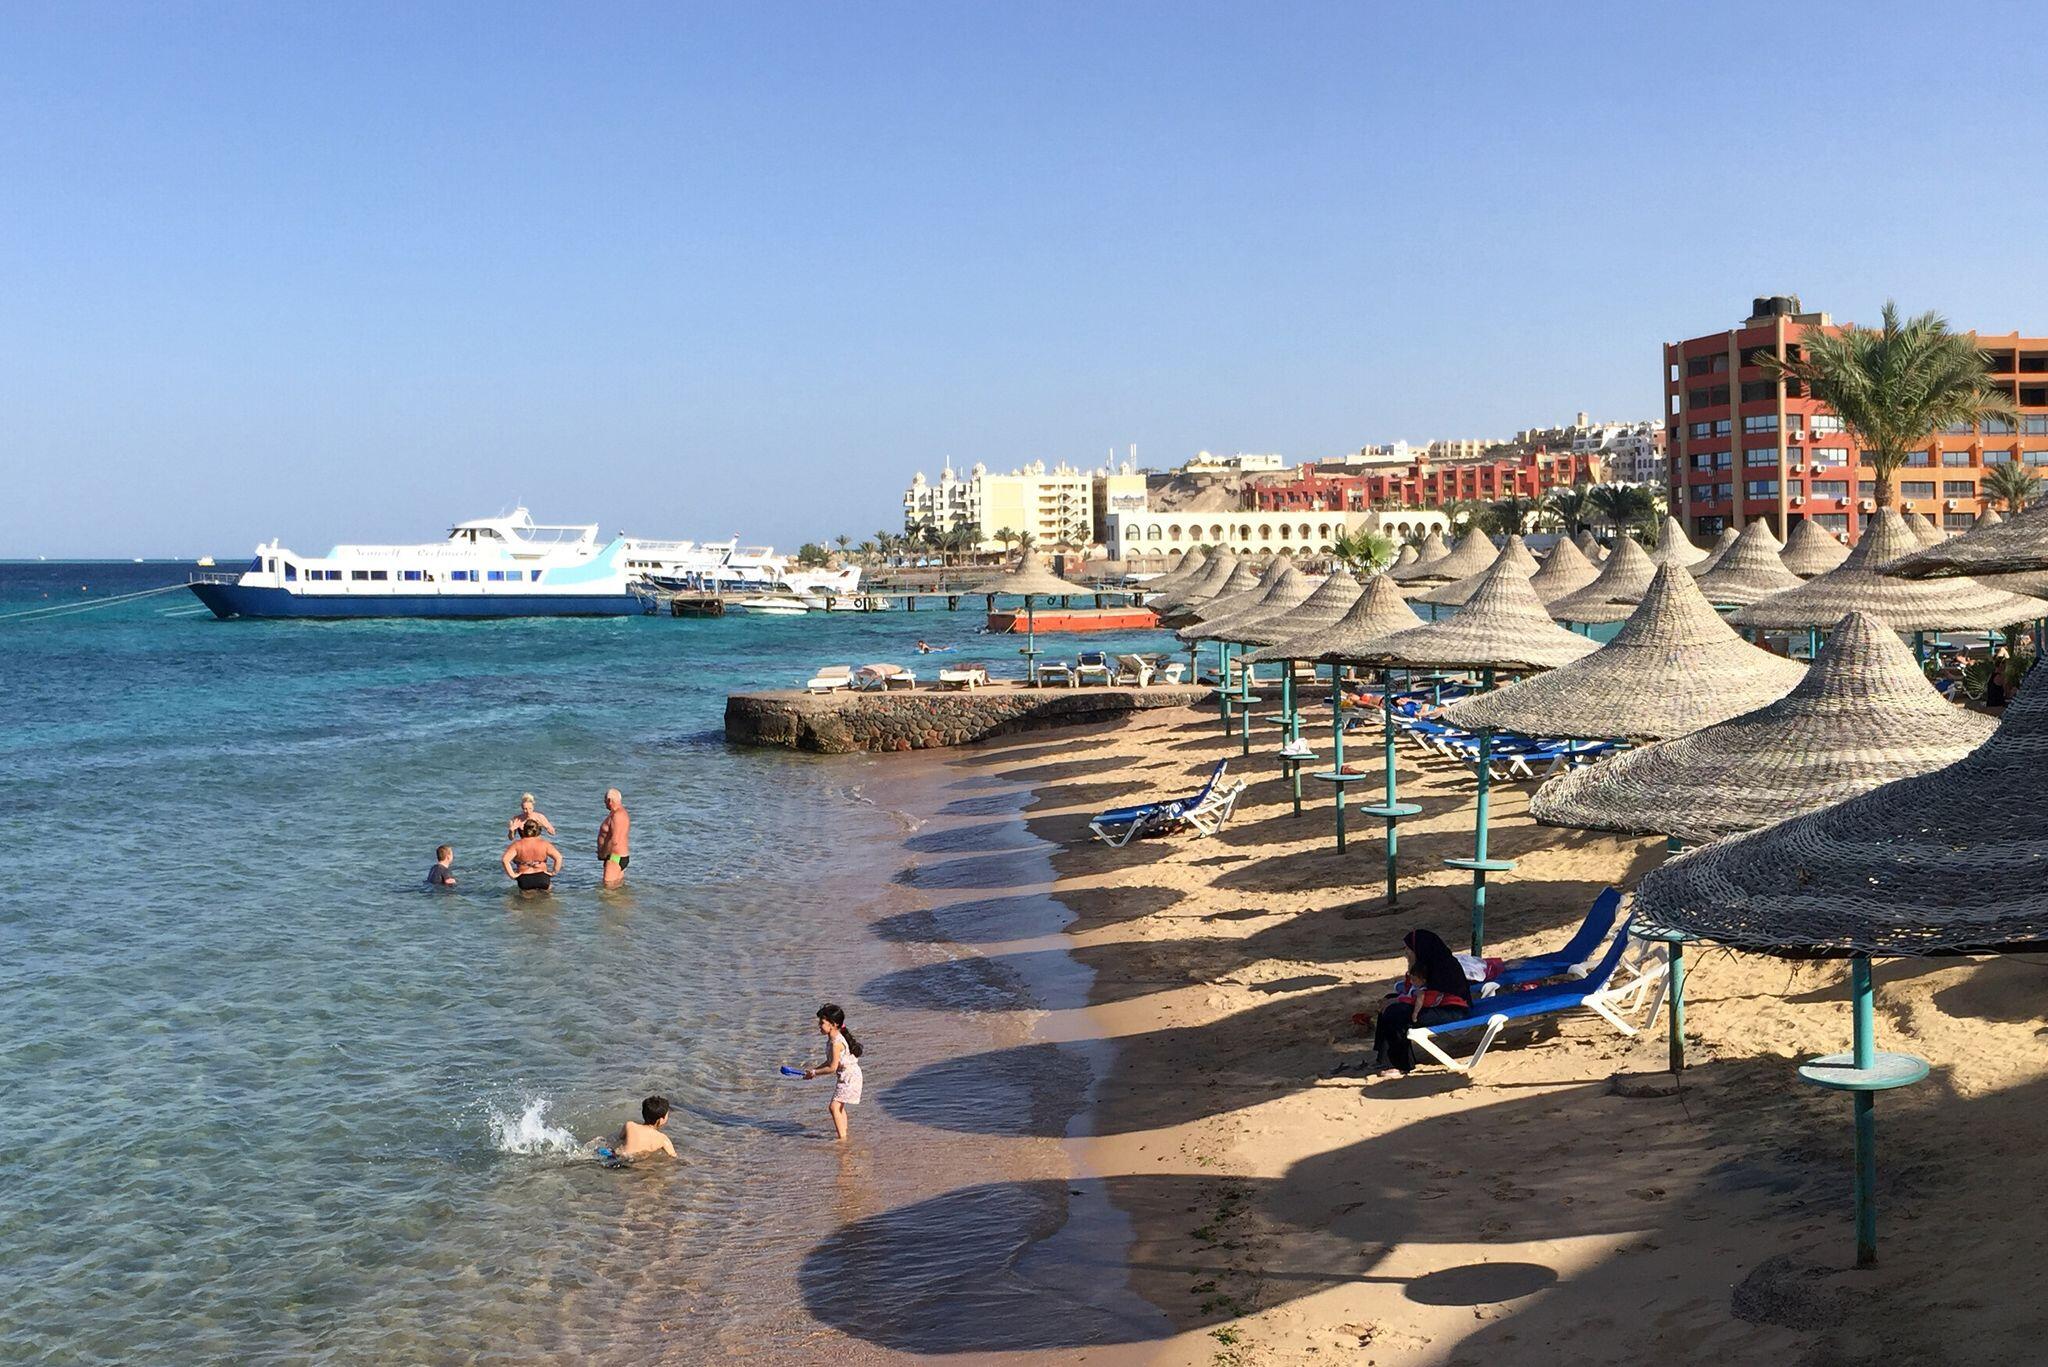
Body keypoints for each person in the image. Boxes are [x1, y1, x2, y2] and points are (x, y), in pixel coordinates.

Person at [1369, 930, 1472, 1080]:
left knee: (1396, 1012)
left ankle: (1400, 1064)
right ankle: (1384, 1059)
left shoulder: (1443, 967)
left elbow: (1429, 997)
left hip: (1452, 1011)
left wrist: (1399, 1000)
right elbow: (1415, 990)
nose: (1405, 952)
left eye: (1408, 948)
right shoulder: (1427, 962)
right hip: (1434, 1005)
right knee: (1389, 1001)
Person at [798, 1004, 864, 1141]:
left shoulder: (836, 1043)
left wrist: (815, 1073)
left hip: (850, 1077)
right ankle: (844, 1134)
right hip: (847, 1076)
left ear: (833, 1025)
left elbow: (832, 1067)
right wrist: (814, 1070)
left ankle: (842, 1140)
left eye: (822, 1022)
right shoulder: (832, 1040)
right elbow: (830, 1062)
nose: (819, 1025)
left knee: (834, 1107)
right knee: (839, 1107)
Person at [597, 1095, 675, 1163]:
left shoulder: (630, 1125)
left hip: (617, 1156)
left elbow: (620, 1138)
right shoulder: (663, 1139)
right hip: (634, 1163)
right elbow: (673, 1157)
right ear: (661, 1120)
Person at [502, 820, 564, 893]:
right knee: (547, 898)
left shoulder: (517, 844)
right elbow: (559, 858)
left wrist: (512, 875)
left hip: (524, 878)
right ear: (537, 830)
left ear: (524, 830)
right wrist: (553, 872)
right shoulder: (544, 843)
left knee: (525, 899)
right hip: (542, 877)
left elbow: (505, 860)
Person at [598, 789, 631, 887]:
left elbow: (614, 840)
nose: (604, 804)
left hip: (614, 858)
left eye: (605, 801)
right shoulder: (621, 813)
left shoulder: (617, 815)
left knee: (607, 890)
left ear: (609, 800)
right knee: (617, 890)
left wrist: (603, 853)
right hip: (619, 857)